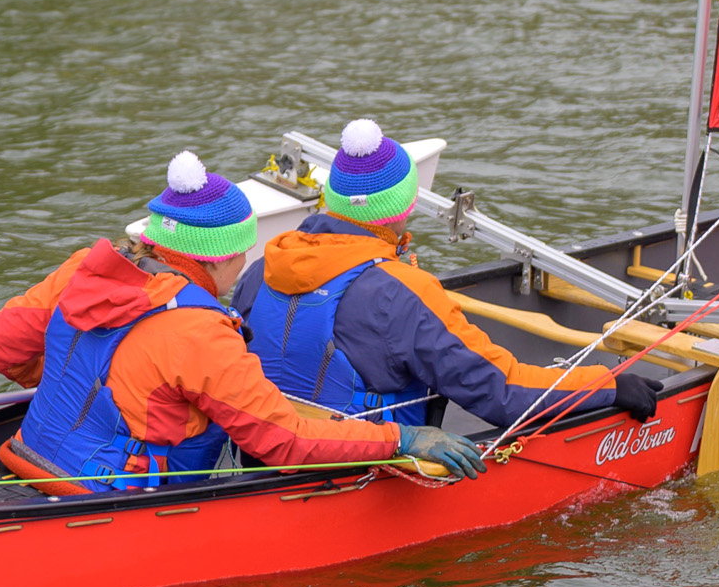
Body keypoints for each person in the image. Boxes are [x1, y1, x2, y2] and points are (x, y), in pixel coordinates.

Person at [0, 153, 485, 494]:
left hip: (25, 457)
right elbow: (284, 442)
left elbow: (2, 346)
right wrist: (401, 440)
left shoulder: (82, 269)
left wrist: (97, 378)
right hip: (102, 500)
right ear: (217, 259)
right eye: (242, 253)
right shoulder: (199, 331)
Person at [236, 118, 664, 437]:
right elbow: (502, 393)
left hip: (271, 453)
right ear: (404, 206)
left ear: (331, 200)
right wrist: (606, 385)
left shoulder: (263, 267)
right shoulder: (403, 293)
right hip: (366, 471)